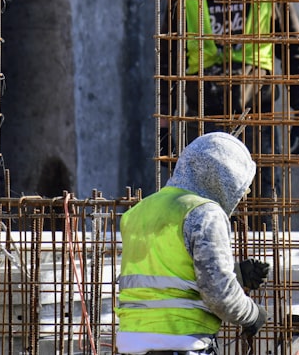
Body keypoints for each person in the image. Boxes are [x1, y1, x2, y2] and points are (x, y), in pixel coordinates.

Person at [158, 0, 299, 230]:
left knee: (260, 203)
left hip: (258, 118)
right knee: (205, 208)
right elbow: (168, 69)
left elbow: (298, 57)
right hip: (205, 119)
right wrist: (165, 125)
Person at [116, 132, 271, 355]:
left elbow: (166, 272)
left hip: (131, 343)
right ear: (223, 178)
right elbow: (218, 295)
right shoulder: (204, 213)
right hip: (182, 342)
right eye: (242, 189)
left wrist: (235, 273)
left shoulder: (138, 212)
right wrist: (252, 314)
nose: (242, 198)